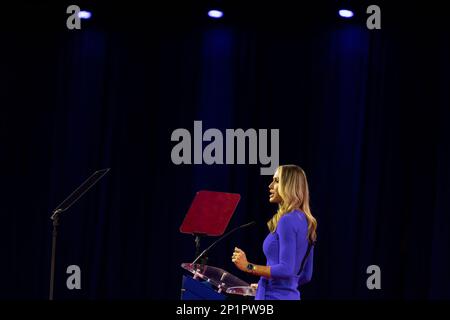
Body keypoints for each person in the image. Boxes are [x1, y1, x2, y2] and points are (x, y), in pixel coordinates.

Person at [231, 164, 317, 300]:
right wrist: (267, 286)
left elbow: (286, 269)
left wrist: (248, 266)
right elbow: (306, 275)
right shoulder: (307, 222)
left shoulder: (287, 220)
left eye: (276, 181)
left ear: (289, 186)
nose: (270, 186)